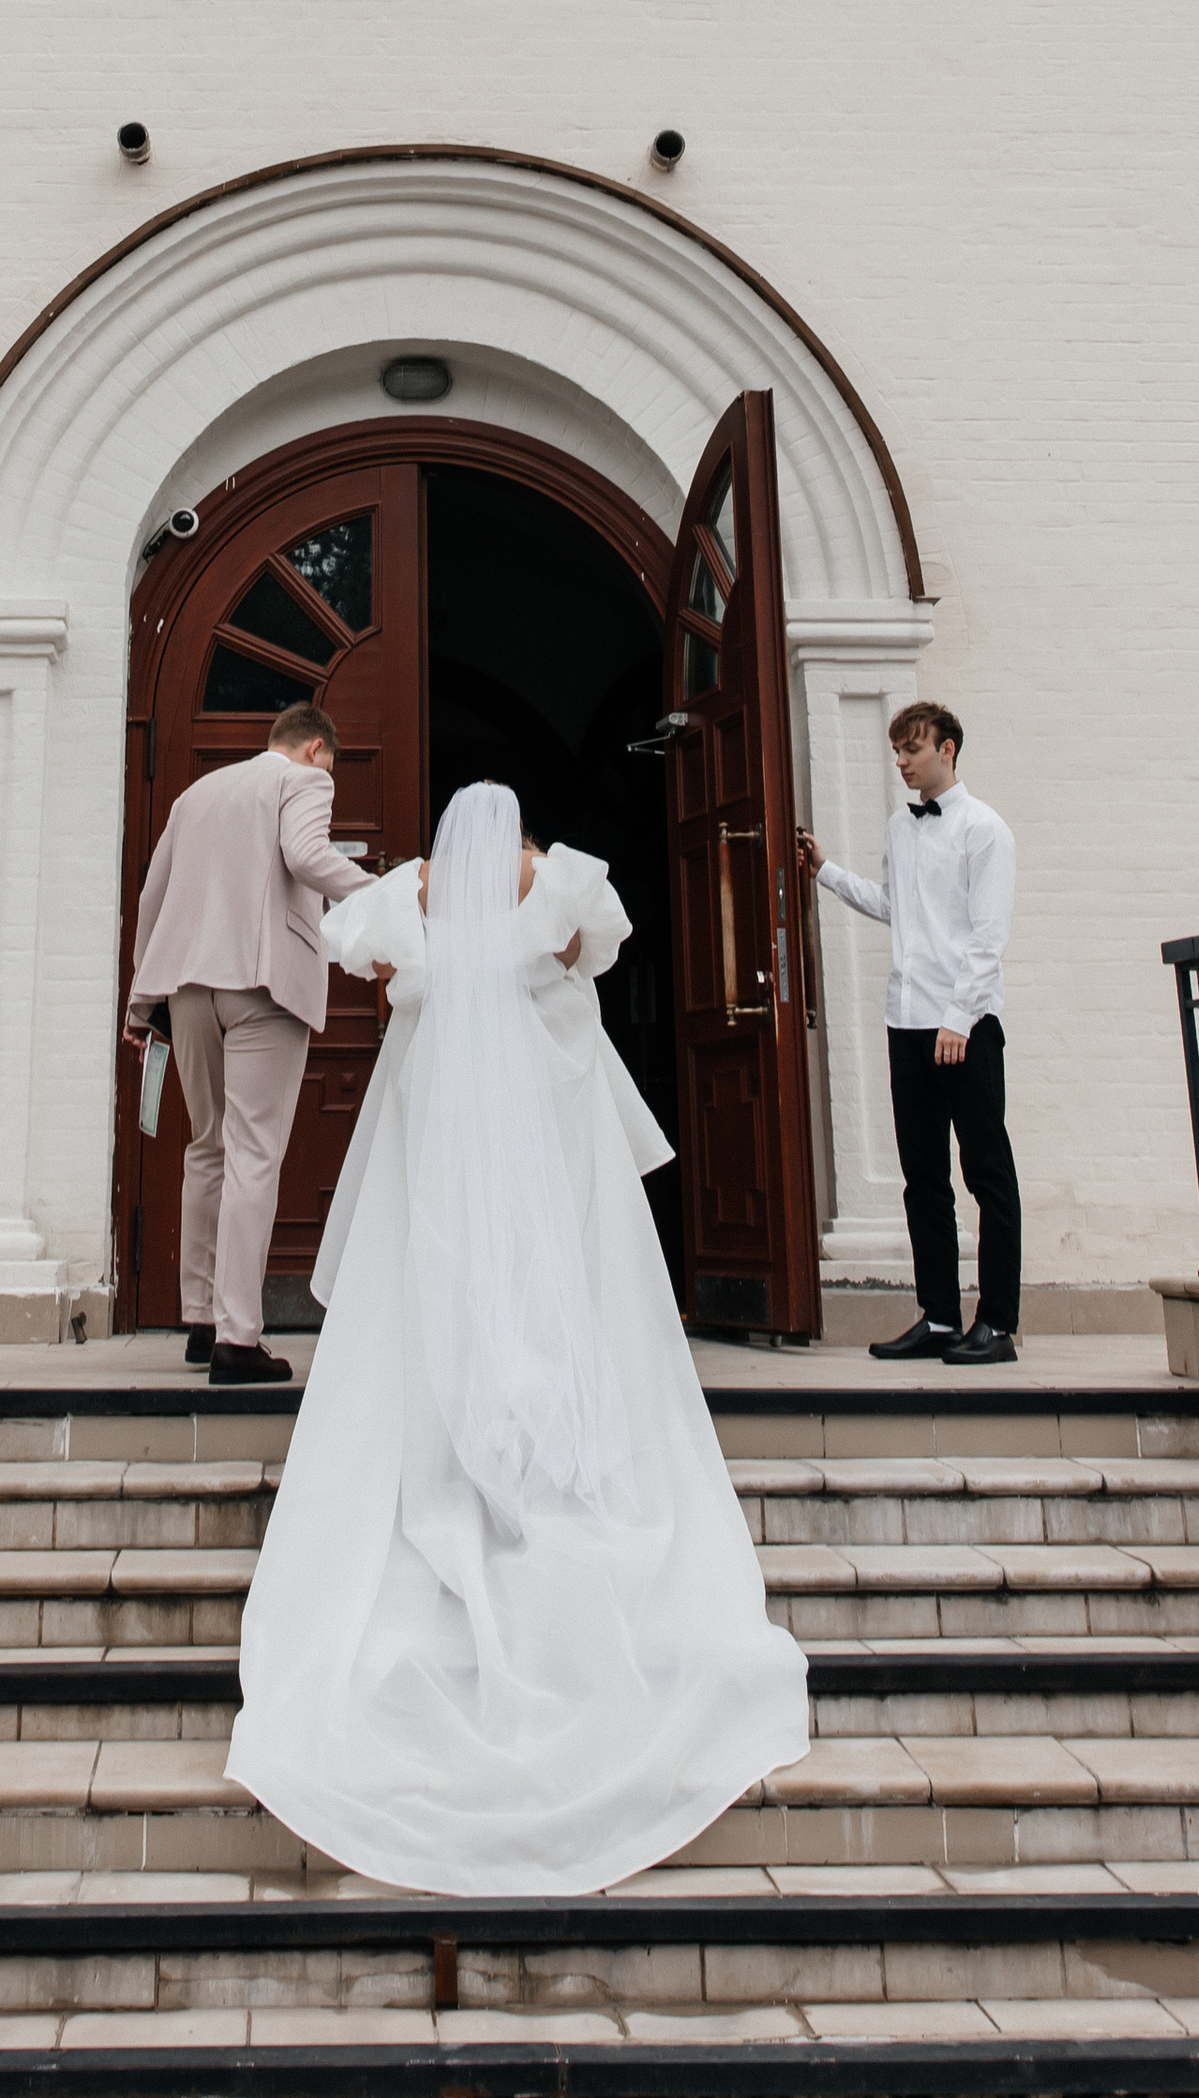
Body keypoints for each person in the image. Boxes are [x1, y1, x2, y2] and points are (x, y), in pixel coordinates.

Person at [228, 781, 809, 1892]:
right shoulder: (564, 880)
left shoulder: (411, 893)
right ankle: (549, 1463)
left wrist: (426, 975)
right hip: (550, 1135)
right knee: (557, 1301)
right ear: (523, 832)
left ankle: (455, 1465)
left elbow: (369, 962)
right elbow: (596, 951)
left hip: (445, 1144)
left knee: (444, 1297)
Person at [124, 703, 375, 1384]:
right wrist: (383, 895)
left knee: (207, 1147)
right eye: (331, 766)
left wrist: (142, 1002)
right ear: (316, 749)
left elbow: (153, 896)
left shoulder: (196, 794)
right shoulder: (304, 780)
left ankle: (201, 1321)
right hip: (262, 985)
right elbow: (308, 855)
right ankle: (238, 1339)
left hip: (186, 986)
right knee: (254, 1155)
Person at [796, 701, 1022, 1367]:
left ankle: (998, 1324)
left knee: (986, 1173)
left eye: (911, 750)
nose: (900, 762)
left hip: (965, 1027)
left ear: (946, 750)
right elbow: (897, 908)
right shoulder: (901, 826)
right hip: (907, 1022)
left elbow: (988, 936)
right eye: (896, 750)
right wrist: (827, 871)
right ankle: (941, 1318)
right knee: (922, 1177)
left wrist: (958, 1018)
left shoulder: (986, 830)